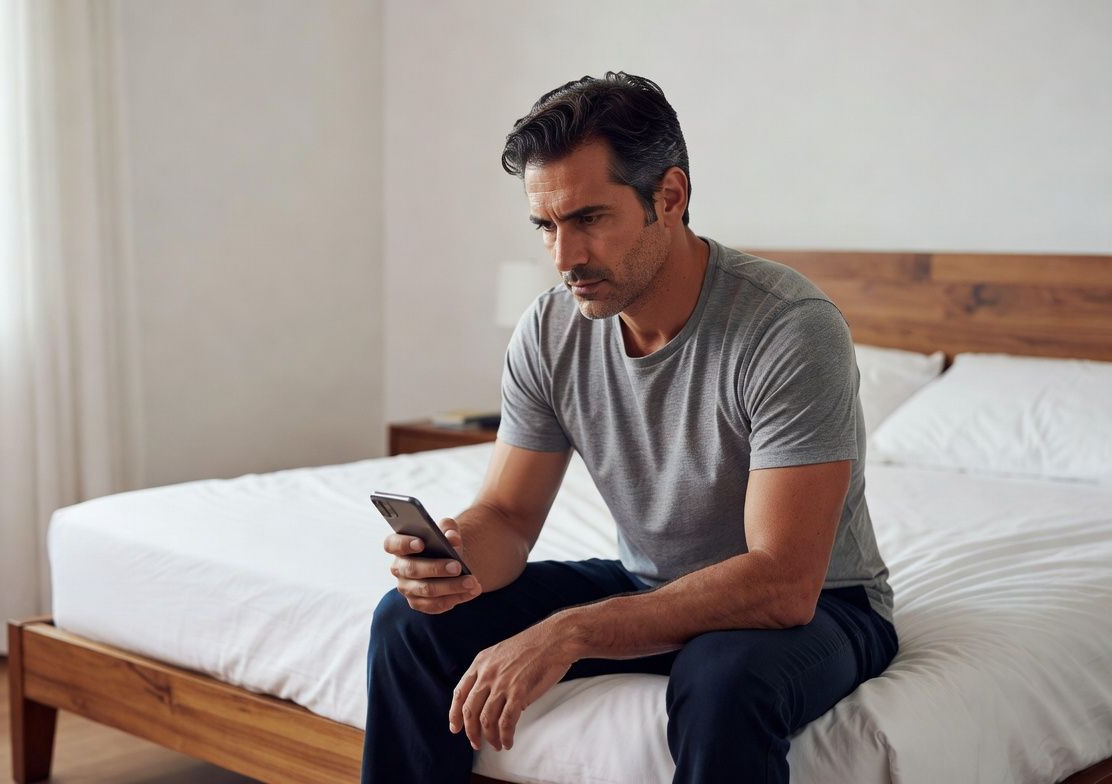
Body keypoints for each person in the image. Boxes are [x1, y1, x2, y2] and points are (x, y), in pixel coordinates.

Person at [362, 72, 898, 784]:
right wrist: (455, 564)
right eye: (546, 226)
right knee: (409, 625)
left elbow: (782, 582)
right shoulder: (550, 329)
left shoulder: (788, 328)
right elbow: (509, 519)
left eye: (589, 218)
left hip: (824, 604)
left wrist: (573, 631)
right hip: (652, 586)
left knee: (723, 679)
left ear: (668, 198)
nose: (564, 258)